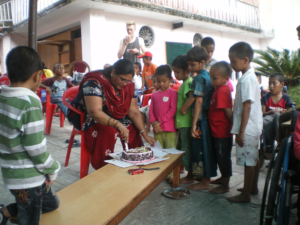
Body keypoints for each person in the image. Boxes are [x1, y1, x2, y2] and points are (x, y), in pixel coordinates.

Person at [0, 46, 60, 225]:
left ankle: (5, 212)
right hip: (27, 179)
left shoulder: (4, 97)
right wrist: (52, 168)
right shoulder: (30, 102)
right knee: (30, 219)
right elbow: (35, 148)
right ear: (37, 75)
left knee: (51, 203)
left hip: (12, 174)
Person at [68, 59, 155, 170]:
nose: (125, 84)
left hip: (114, 114)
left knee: (133, 127)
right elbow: (94, 111)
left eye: (128, 81)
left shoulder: (128, 85)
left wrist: (144, 133)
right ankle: (104, 167)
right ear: (113, 72)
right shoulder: (94, 82)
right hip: (87, 115)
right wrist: (117, 124)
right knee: (108, 130)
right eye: (122, 79)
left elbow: (133, 112)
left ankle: (136, 161)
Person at [226, 42, 262, 203]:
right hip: (251, 127)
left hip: (247, 129)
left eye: (233, 61)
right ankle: (252, 187)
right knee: (253, 159)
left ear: (245, 60)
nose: (231, 64)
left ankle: (246, 194)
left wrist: (241, 132)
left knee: (249, 162)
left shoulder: (248, 79)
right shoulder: (248, 77)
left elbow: (247, 106)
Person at [185, 46, 217, 190]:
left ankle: (204, 181)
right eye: (189, 65)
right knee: (206, 148)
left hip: (200, 119)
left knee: (200, 148)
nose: (190, 68)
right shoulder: (207, 75)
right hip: (207, 118)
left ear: (202, 62)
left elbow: (198, 101)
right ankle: (205, 177)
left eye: (193, 64)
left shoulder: (198, 78)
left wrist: (193, 125)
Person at [149, 65, 178, 182]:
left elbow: (172, 110)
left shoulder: (173, 93)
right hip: (157, 129)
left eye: (164, 81)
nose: (161, 84)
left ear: (170, 80)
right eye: (158, 81)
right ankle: (160, 173)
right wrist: (153, 123)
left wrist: (158, 121)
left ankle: (171, 175)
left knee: (170, 151)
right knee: (158, 151)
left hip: (170, 129)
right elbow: (150, 110)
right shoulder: (155, 94)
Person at [208, 62, 233, 194]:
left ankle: (226, 185)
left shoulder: (223, 90)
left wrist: (236, 126)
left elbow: (228, 112)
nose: (212, 81)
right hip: (216, 131)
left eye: (215, 78)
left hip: (222, 132)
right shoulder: (218, 88)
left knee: (223, 158)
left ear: (226, 79)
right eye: (211, 77)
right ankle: (223, 178)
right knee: (219, 156)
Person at [172, 55, 195, 184]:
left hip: (186, 123)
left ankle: (190, 175)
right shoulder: (183, 84)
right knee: (180, 148)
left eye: (177, 71)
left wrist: (183, 109)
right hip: (181, 123)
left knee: (186, 149)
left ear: (187, 70)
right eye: (174, 71)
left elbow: (192, 97)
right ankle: (182, 170)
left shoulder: (189, 83)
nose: (175, 74)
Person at [262, 73, 292, 154]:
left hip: (280, 120)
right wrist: (272, 111)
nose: (271, 86)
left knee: (278, 116)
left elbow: (289, 113)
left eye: (274, 83)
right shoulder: (265, 97)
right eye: (269, 83)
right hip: (268, 119)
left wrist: (284, 112)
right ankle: (270, 144)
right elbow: (262, 113)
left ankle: (279, 141)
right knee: (269, 119)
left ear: (282, 84)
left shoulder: (286, 97)